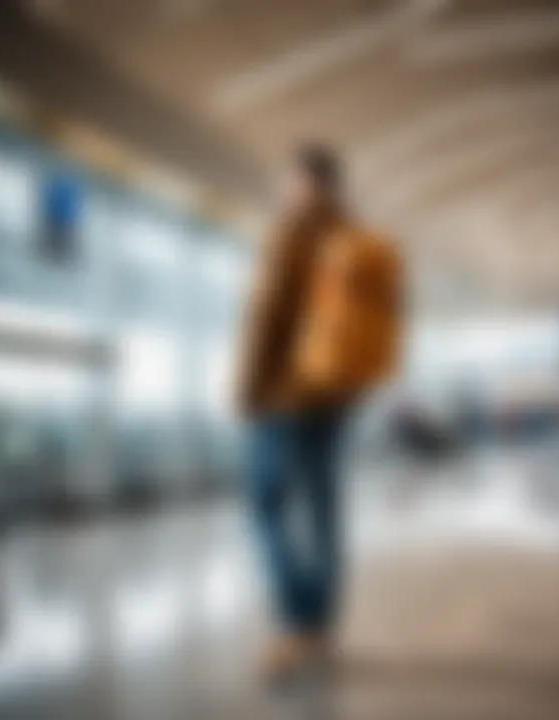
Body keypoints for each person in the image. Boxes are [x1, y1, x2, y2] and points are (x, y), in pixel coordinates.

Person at [236, 144, 356, 683]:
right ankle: (324, 625)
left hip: (284, 398)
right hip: (334, 399)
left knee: (266, 506)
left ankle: (295, 623)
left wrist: (245, 390)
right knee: (325, 511)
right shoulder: (355, 238)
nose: (286, 191)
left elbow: (264, 317)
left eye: (290, 181)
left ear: (303, 181)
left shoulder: (290, 231)